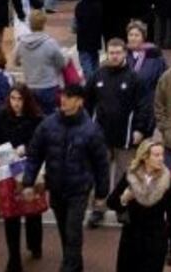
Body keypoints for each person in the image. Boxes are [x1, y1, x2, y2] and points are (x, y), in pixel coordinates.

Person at [22, 84, 108, 271]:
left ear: (79, 101)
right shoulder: (48, 125)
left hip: (79, 190)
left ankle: (68, 267)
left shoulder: (91, 130)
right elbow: (35, 154)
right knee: (64, 232)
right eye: (63, 96)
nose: (64, 100)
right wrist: (28, 182)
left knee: (73, 231)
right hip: (56, 188)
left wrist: (102, 194)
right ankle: (75, 266)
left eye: (69, 97)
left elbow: (101, 164)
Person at [85, 38, 152, 226]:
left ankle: (122, 208)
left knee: (125, 175)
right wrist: (87, 126)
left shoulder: (134, 78)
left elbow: (143, 106)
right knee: (99, 173)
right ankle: (98, 209)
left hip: (126, 136)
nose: (114, 56)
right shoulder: (97, 76)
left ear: (124, 54)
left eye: (117, 53)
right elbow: (87, 102)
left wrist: (139, 128)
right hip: (101, 136)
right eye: (111, 52)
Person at [106, 139, 171, 272]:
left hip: (155, 239)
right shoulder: (130, 176)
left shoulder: (168, 181)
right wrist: (124, 199)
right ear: (145, 157)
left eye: (162, 155)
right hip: (131, 237)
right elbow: (111, 202)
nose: (161, 159)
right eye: (156, 155)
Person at [0, 84, 43, 271]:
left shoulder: (37, 119)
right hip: (7, 169)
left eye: (20, 99)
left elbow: (41, 144)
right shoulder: (1, 116)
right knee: (10, 213)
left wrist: (26, 148)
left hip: (29, 169)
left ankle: (35, 244)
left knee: (32, 211)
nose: (16, 103)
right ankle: (14, 257)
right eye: (13, 98)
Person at [13, 10, 66, 115]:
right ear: (44, 24)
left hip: (30, 86)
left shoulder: (21, 43)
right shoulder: (50, 43)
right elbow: (61, 63)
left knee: (32, 117)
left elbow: (15, 61)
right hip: (49, 86)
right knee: (50, 118)